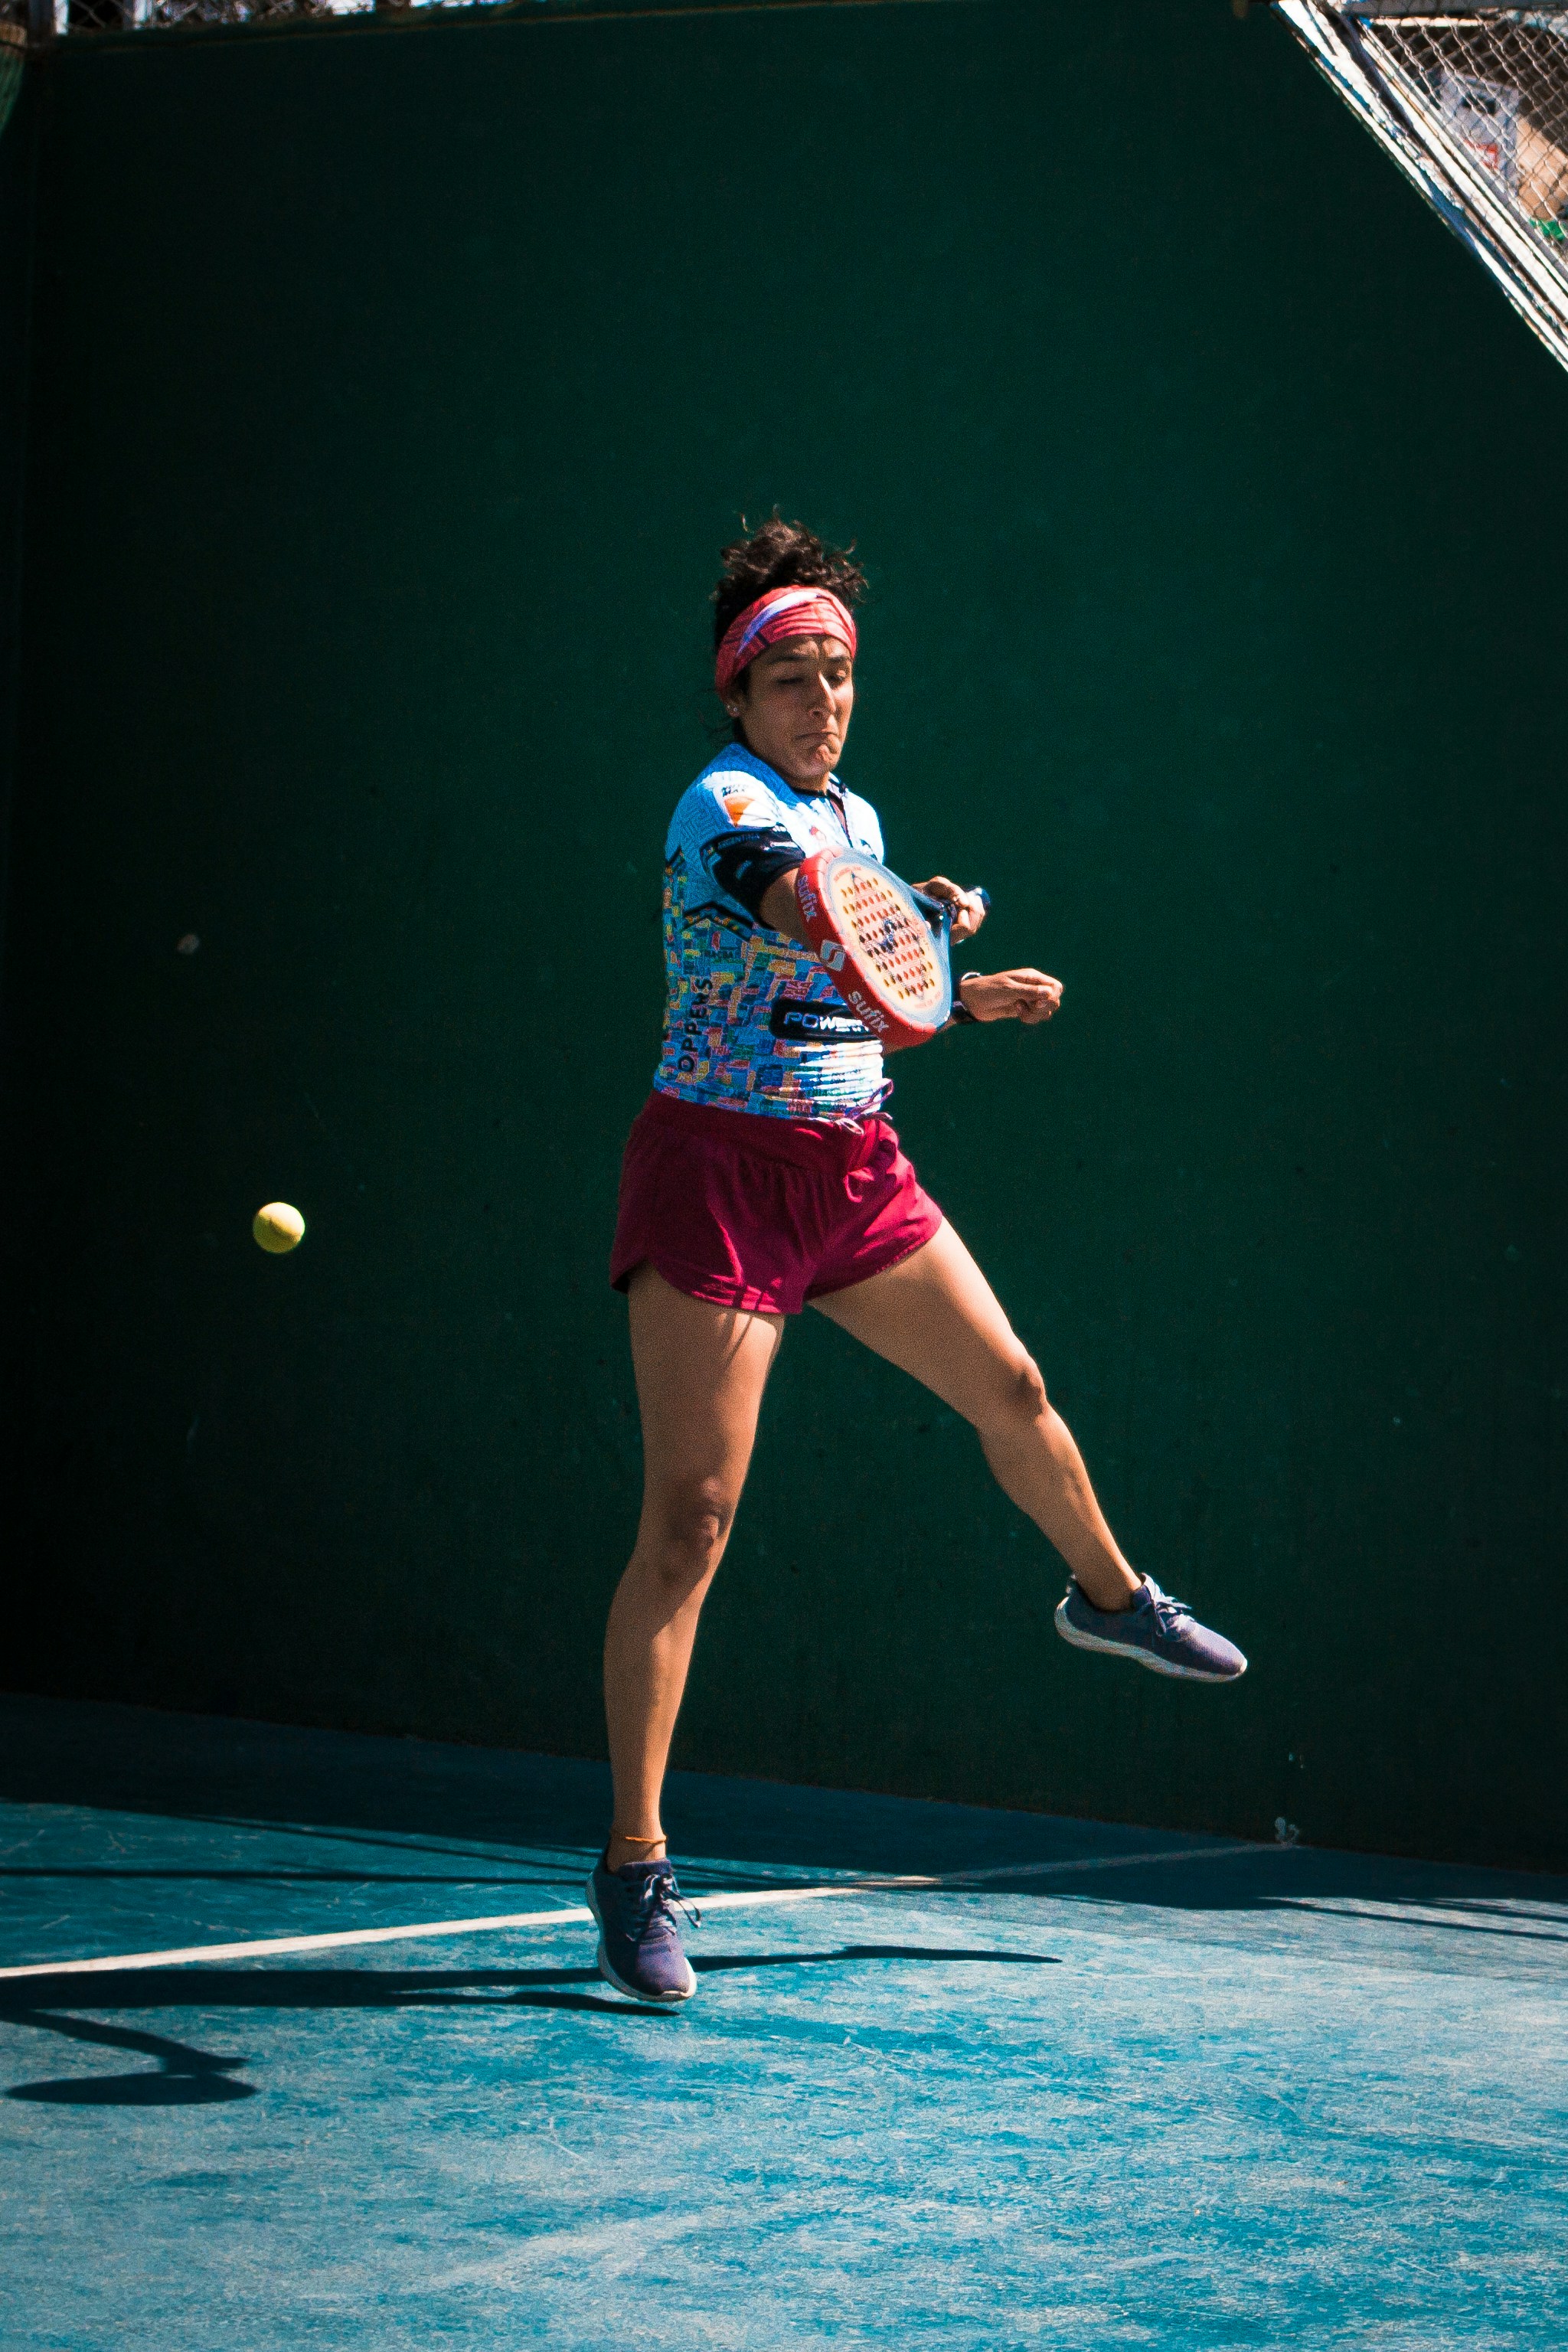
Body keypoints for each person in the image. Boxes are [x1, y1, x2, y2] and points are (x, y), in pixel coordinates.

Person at [586, 518, 1246, 2005]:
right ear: (739, 697)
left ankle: (1111, 1595)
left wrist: (957, 992)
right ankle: (634, 1869)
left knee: (1012, 1385)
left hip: (853, 1171)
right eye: (792, 680)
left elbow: (855, 1003)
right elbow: (796, 910)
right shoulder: (724, 808)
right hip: (717, 1184)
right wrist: (886, 920)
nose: (822, 702)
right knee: (690, 1522)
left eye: (838, 678)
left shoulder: (859, 820)